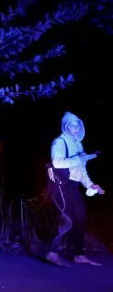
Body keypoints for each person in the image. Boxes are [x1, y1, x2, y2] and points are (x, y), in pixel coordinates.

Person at [45, 111, 105, 267]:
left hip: (74, 186)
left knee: (80, 218)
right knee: (67, 220)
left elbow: (81, 169)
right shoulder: (59, 142)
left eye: (78, 125)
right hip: (61, 185)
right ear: (65, 127)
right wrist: (81, 158)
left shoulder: (78, 143)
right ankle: (52, 253)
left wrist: (90, 184)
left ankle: (79, 255)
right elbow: (57, 163)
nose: (76, 128)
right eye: (72, 125)